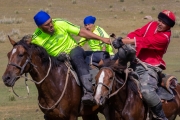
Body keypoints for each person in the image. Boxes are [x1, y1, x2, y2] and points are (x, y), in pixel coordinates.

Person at [31, 10, 110, 105]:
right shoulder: (35, 38)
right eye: (47, 25)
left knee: (77, 59)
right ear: (40, 27)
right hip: (56, 59)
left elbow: (81, 32)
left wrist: (102, 39)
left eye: (51, 21)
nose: (51, 25)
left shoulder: (60, 23)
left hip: (73, 50)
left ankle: (88, 92)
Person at [112, 10, 176, 120]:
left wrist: (123, 41)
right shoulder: (152, 24)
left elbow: (144, 41)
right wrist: (126, 38)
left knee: (147, 92)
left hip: (149, 67)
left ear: (169, 26)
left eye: (164, 23)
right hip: (134, 63)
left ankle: (160, 116)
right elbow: (137, 33)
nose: (160, 23)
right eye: (159, 20)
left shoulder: (164, 37)